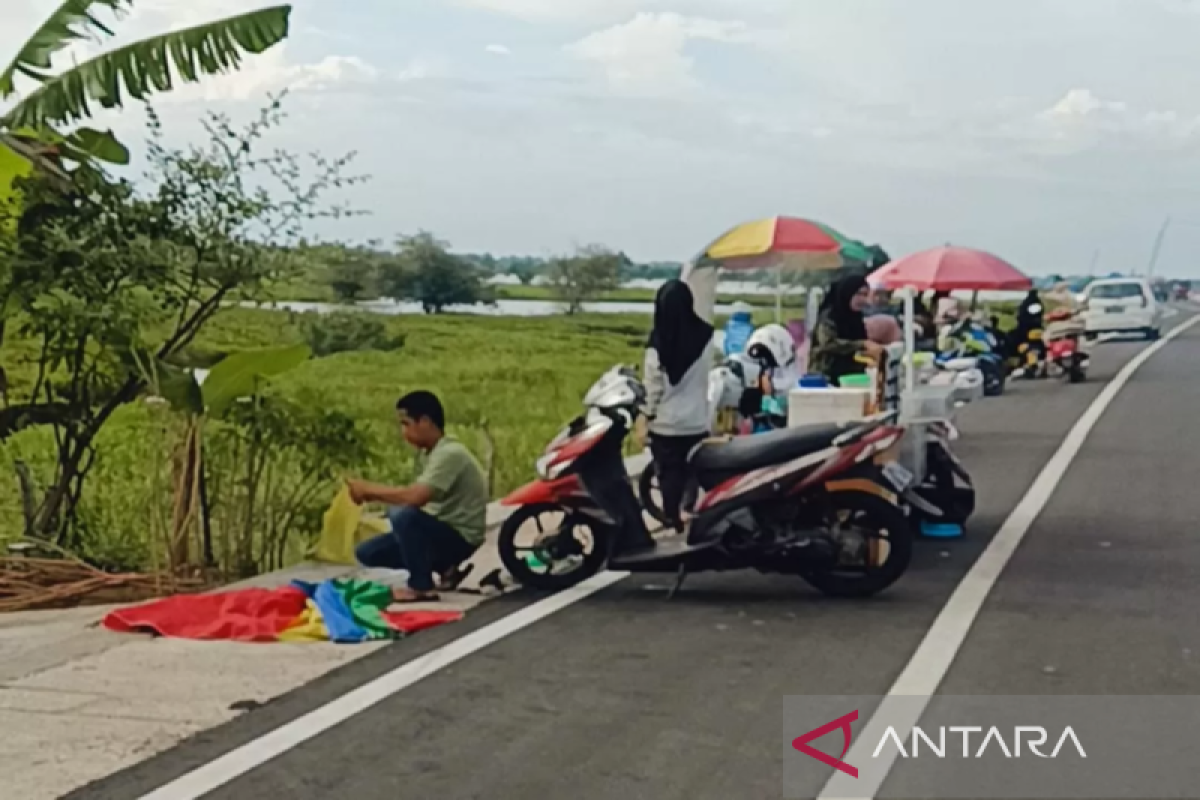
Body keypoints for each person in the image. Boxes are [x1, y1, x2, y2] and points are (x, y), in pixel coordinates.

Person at [349, 391, 488, 603]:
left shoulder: (450, 454)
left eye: (406, 424)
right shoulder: (430, 454)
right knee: (368, 552)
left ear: (424, 421)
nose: (403, 432)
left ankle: (421, 586)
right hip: (442, 530)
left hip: (461, 537)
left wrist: (369, 491)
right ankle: (445, 567)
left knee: (403, 514)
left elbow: (416, 497)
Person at [642, 279, 714, 533]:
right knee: (692, 471)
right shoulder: (706, 336)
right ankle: (689, 510)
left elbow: (653, 387)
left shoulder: (658, 344)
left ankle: (673, 518)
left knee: (669, 474)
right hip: (697, 421)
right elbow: (708, 377)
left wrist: (645, 416)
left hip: (666, 425)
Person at [808, 274, 884, 383]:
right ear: (848, 293)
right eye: (859, 294)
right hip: (826, 377)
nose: (863, 299)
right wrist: (863, 344)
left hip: (850, 377)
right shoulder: (829, 317)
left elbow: (855, 346)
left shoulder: (855, 318)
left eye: (866, 295)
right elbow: (828, 344)